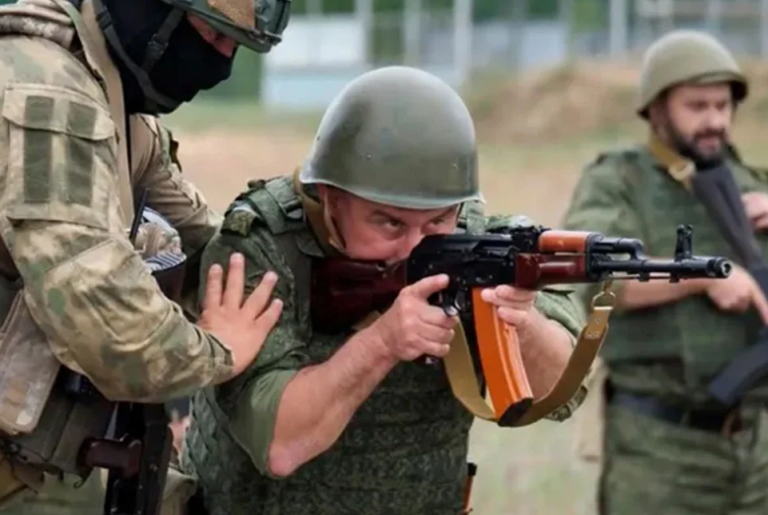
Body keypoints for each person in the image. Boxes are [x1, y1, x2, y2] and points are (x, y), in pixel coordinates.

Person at [178, 65, 588, 515]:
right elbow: (280, 445)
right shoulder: (260, 250)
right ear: (331, 198)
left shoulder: (482, 243)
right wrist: (383, 342)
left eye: (437, 221)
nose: (415, 248)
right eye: (389, 222)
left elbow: (561, 396)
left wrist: (521, 323)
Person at [0, 0, 291, 511]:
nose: (221, 64)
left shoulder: (117, 102)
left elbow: (212, 246)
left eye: (235, 46)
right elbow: (108, 327)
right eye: (213, 35)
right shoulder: (46, 91)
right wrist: (220, 350)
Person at [562, 30, 768, 515]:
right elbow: (593, 276)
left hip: (756, 448)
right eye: (697, 106)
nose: (715, 120)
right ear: (657, 110)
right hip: (660, 450)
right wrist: (704, 276)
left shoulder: (750, 184)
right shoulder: (619, 181)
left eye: (723, 105)